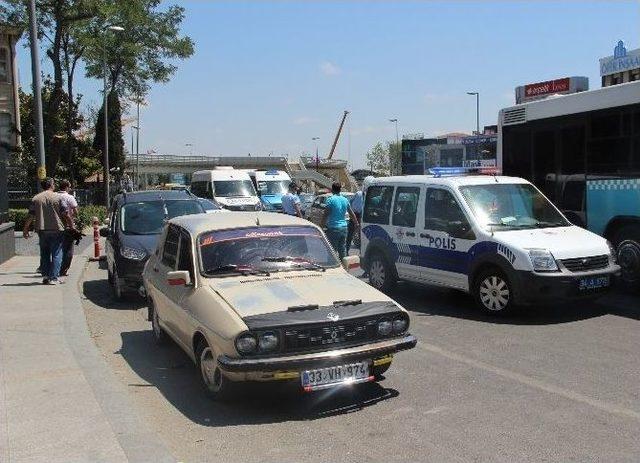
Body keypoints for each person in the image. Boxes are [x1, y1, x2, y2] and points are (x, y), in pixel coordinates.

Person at [23, 178, 74, 285]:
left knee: (45, 253)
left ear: (42, 186)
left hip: (42, 230)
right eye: (54, 183)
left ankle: (46, 276)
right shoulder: (58, 198)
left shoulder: (36, 198)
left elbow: (31, 215)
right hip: (57, 229)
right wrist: (71, 225)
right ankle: (54, 278)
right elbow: (65, 213)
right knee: (57, 253)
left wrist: (26, 228)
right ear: (51, 185)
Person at [322, 182, 358, 261]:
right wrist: (356, 224)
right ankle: (344, 267)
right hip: (344, 228)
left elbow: (325, 215)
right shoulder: (345, 199)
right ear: (340, 190)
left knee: (332, 250)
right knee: (342, 249)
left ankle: (332, 267)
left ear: (332, 189)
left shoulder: (330, 200)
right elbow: (352, 213)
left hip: (333, 228)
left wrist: (321, 226)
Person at [58, 179, 79, 276]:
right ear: (66, 187)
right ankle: (63, 270)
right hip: (67, 226)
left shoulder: (54, 196)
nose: (70, 188)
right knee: (68, 249)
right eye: (69, 187)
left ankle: (54, 268)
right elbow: (75, 212)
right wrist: (74, 221)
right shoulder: (69, 197)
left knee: (56, 249)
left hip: (55, 226)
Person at [346, 185, 364, 253]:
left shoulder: (360, 193)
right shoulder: (359, 193)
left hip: (360, 215)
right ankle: (347, 250)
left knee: (359, 233)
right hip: (356, 215)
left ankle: (360, 251)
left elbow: (350, 202)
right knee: (351, 233)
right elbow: (350, 201)